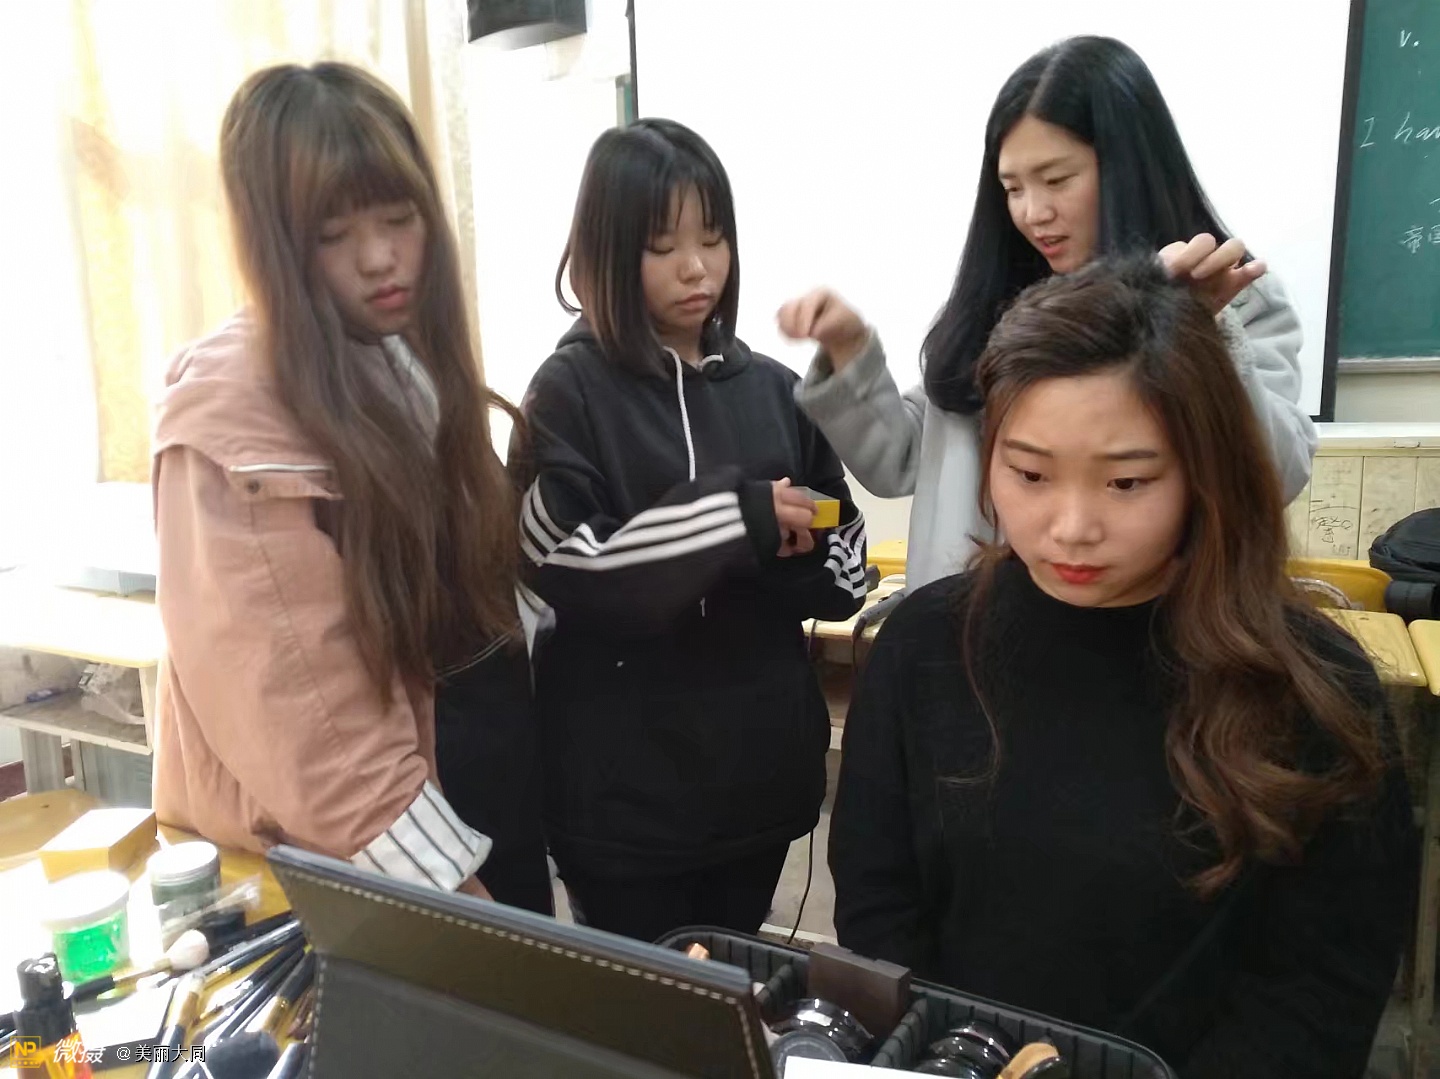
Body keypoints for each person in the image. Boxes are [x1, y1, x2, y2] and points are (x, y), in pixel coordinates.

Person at [828, 255, 1414, 1076]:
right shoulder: (923, 645)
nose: (1071, 525)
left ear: (1204, 470)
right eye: (1030, 473)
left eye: (1128, 481)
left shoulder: (1311, 687)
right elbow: (878, 903)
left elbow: (1322, 984)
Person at [152, 62, 548, 908]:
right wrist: (468, 906)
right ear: (273, 245)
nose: (379, 257)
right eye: (333, 234)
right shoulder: (231, 420)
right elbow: (311, 719)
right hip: (369, 859)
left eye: (399, 218)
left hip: (470, 793)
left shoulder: (400, 354)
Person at [779, 36, 1317, 589]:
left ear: (1129, 168)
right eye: (1012, 187)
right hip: (971, 619)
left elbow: (1273, 477)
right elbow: (904, 462)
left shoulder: (1229, 295)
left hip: (1146, 624)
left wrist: (1196, 327)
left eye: (1057, 180)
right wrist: (850, 353)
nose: (1033, 212)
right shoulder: (989, 306)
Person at [515, 118, 867, 941]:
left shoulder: (777, 390)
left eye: (713, 238)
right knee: (641, 1003)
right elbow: (568, 564)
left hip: (757, 787)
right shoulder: (565, 395)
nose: (697, 267)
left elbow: (849, 565)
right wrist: (732, 520)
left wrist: (790, 547)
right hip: (621, 808)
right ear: (604, 251)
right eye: (662, 245)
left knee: (740, 986)